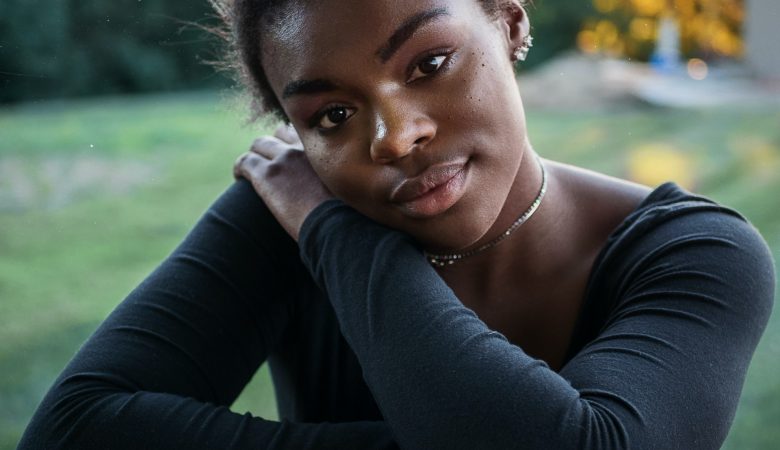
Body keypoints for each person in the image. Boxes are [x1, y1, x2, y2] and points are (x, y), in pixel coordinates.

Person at [19, 0, 774, 449]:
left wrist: (331, 235)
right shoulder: (286, 209)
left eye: (430, 63)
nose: (392, 138)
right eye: (333, 116)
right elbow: (76, 430)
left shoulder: (694, 254)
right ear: (297, 135)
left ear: (509, 22)